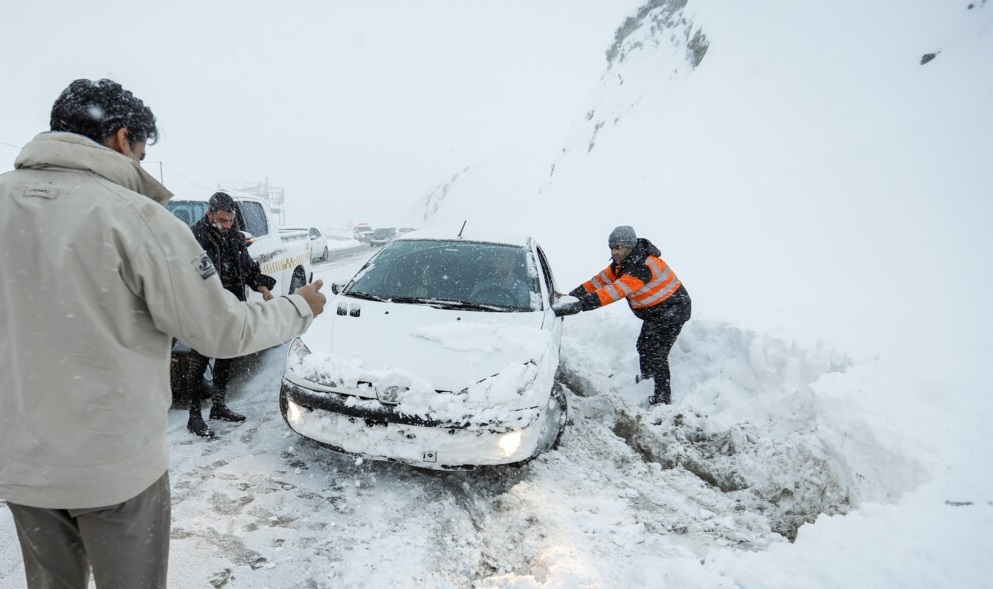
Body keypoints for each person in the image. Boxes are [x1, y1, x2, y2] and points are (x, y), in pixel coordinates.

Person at [0, 78, 327, 589]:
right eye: (141, 151)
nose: (140, 164)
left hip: (22, 466)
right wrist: (298, 307)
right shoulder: (138, 219)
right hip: (116, 468)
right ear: (121, 138)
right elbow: (222, 330)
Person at [182, 191, 275, 438]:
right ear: (210, 214)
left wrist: (263, 287)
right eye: (222, 220)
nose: (227, 225)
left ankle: (218, 406)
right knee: (199, 362)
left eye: (231, 220)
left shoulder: (235, 237)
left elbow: (248, 268)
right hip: (204, 310)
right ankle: (194, 417)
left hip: (231, 306)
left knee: (226, 356)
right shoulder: (193, 238)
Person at [563, 225, 691, 405]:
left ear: (629, 246)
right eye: (611, 248)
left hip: (673, 310)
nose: (614, 252)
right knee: (644, 345)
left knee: (657, 352)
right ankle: (646, 381)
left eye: (618, 248)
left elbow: (615, 291)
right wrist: (570, 298)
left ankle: (663, 397)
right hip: (656, 312)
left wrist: (580, 305)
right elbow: (597, 283)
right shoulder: (621, 264)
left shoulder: (642, 267)